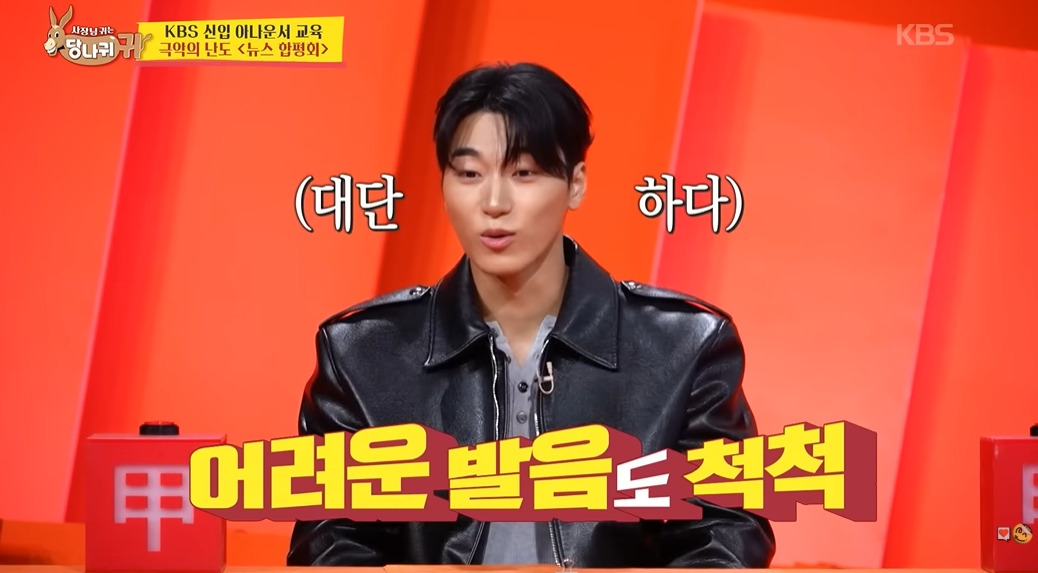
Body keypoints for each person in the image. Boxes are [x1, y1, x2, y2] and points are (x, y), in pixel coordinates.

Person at [286, 62, 775, 568]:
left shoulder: (684, 348)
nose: (494, 202)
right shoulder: (362, 354)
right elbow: (331, 542)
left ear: (576, 184)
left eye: (523, 173)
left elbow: (725, 531)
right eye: (469, 174)